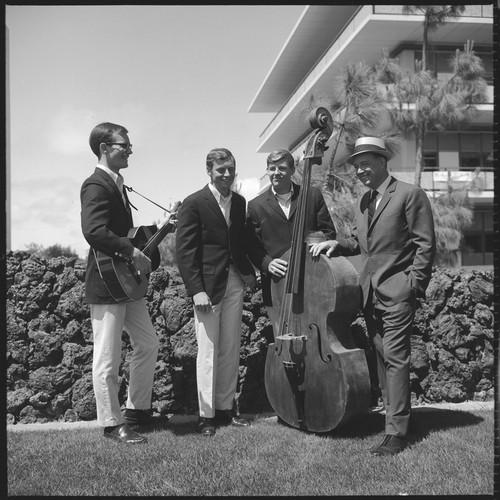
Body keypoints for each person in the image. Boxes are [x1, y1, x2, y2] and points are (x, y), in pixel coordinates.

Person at [310, 137, 436, 456]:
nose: (361, 169)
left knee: (394, 360)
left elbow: (425, 246)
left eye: (367, 162)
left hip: (397, 292)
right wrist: (336, 244)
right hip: (369, 296)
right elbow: (359, 241)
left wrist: (412, 286)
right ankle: (396, 423)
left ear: (382, 162)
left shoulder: (410, 194)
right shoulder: (363, 202)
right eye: (356, 165)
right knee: (382, 363)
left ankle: (396, 434)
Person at [80, 122, 160, 444]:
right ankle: (112, 425)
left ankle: (136, 410)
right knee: (107, 357)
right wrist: (131, 252)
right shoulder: (95, 184)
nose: (129, 150)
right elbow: (93, 231)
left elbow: (126, 235)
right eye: (123, 145)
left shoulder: (119, 184)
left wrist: (164, 227)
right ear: (104, 148)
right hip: (106, 283)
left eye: (129, 146)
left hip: (126, 283)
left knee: (149, 343)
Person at [175, 148, 256, 436]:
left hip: (234, 282)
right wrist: (196, 290)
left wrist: (250, 273)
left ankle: (224, 409)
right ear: (209, 171)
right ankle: (205, 416)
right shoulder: (194, 202)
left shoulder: (240, 202)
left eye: (230, 169)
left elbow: (240, 242)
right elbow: (184, 252)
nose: (226, 175)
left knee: (231, 348)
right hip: (207, 288)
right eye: (220, 170)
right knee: (208, 352)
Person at [245, 148, 336, 333]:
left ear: (292, 170)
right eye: (272, 168)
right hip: (276, 285)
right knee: (282, 337)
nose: (276, 173)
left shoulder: (312, 195)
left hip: (312, 281)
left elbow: (328, 233)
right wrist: (267, 263)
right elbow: (252, 245)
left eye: (282, 168)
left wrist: (315, 245)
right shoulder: (255, 205)